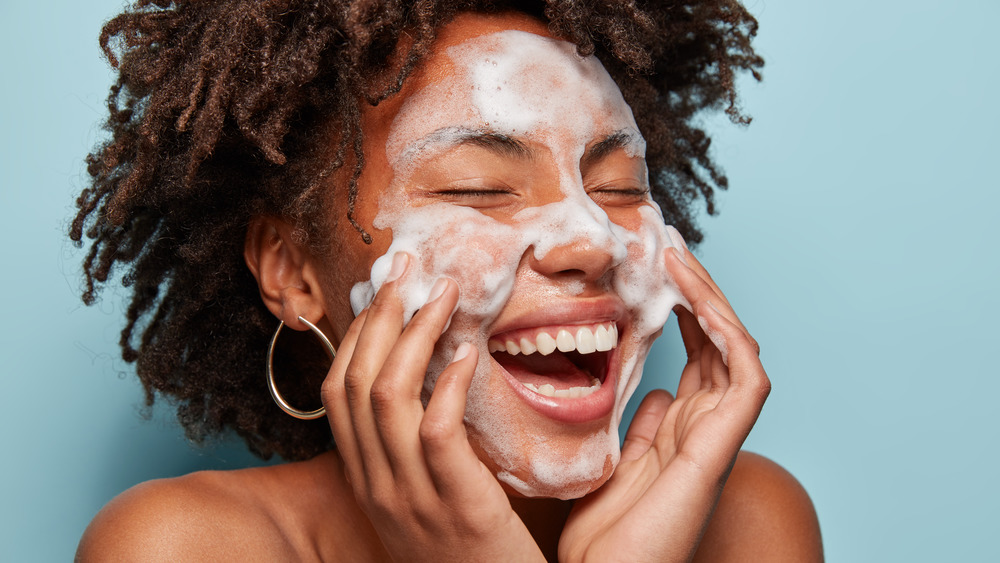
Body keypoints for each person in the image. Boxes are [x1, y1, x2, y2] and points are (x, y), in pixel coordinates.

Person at [72, 0, 822, 560]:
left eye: (620, 186)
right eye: (480, 187)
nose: (591, 238)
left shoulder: (747, 521)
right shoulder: (183, 546)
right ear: (291, 271)